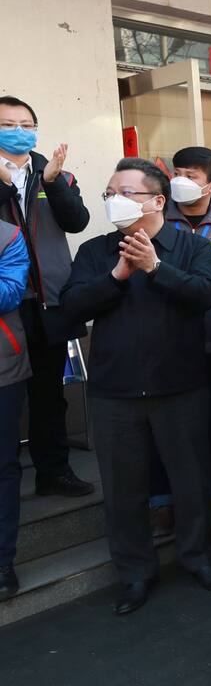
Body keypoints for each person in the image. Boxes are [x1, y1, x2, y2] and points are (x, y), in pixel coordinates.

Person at [60, 158, 211, 614]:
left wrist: (156, 268)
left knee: (191, 480)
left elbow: (206, 297)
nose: (114, 199)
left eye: (126, 191)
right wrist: (117, 276)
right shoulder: (96, 251)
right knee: (123, 489)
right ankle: (135, 573)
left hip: (181, 385)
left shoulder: (190, 247)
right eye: (109, 192)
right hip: (115, 390)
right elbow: (71, 307)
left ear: (158, 200)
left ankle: (199, 557)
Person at [148, 147, 211, 537]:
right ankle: (161, 501)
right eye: (177, 172)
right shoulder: (156, 221)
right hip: (162, 343)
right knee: (161, 424)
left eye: (190, 175)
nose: (180, 181)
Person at [0, 96, 94, 498]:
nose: (19, 131)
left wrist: (54, 183)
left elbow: (77, 221)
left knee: (49, 395)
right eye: (9, 123)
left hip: (49, 301)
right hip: (6, 305)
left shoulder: (55, 174)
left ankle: (53, 472)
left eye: (27, 124)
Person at [0, 221, 31, 601]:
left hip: (3, 367)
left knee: (3, 466)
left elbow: (11, 291)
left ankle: (3, 561)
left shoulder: (7, 235)